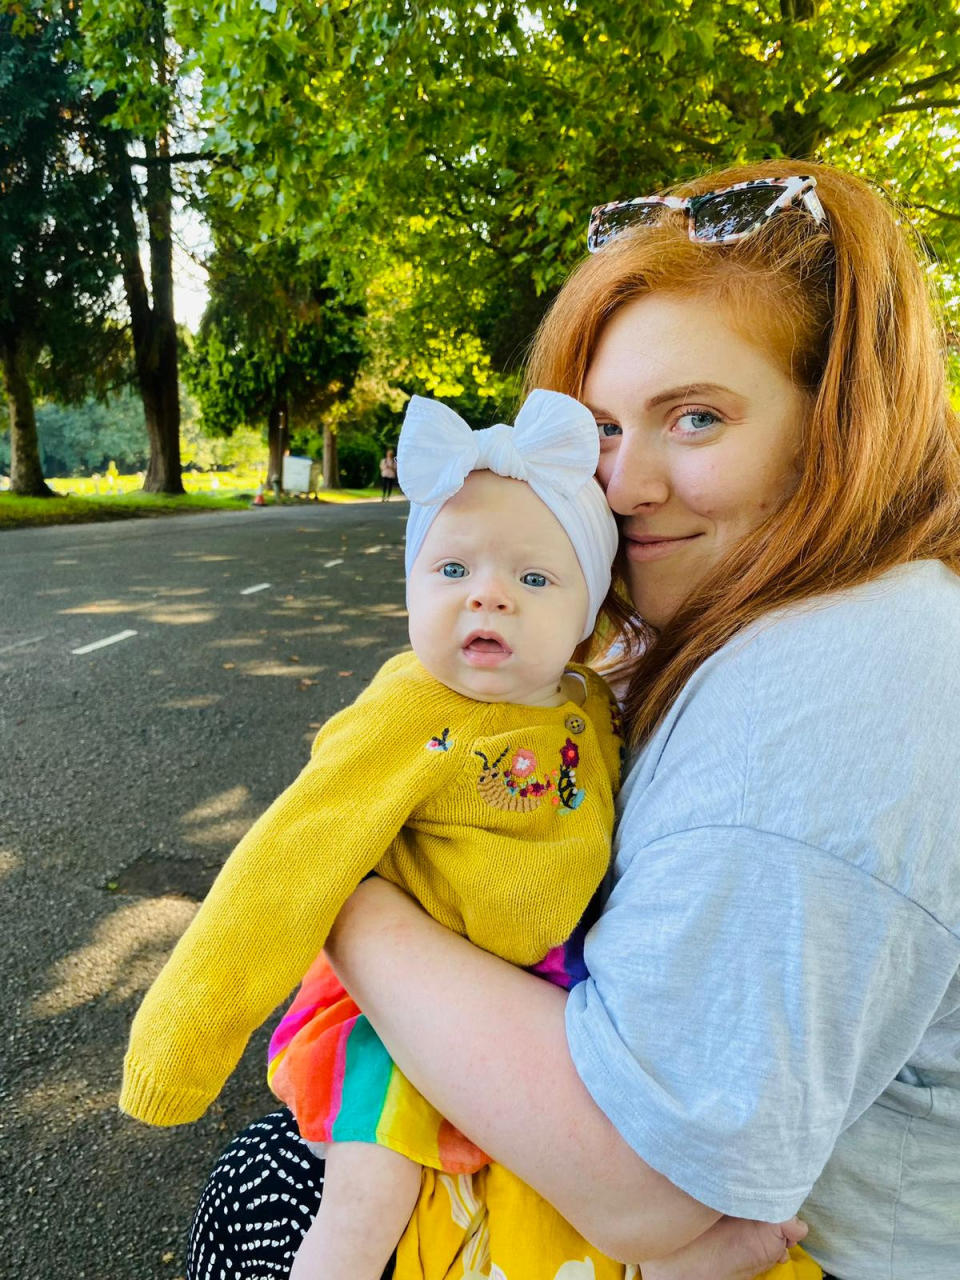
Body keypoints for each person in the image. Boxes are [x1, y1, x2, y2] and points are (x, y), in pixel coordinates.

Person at [184, 159, 960, 1280]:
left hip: (769, 1244)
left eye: (695, 418)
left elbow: (645, 1181)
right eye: (599, 428)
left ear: (838, 424)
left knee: (269, 1196)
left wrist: (344, 879)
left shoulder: (837, 691)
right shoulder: (776, 606)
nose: (624, 481)